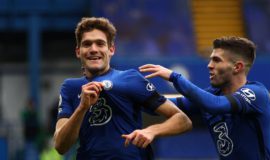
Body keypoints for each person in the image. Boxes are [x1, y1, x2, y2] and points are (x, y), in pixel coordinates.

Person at [53, 17, 192, 160]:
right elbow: (60, 146)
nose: (93, 49)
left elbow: (183, 120)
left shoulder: (131, 79)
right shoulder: (70, 87)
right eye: (87, 44)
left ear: (111, 49)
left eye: (100, 44)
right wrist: (82, 107)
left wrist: (151, 131)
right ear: (78, 51)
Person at [139, 36, 270, 159]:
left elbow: (216, 105)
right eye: (210, 59)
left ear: (237, 67)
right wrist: (132, 95)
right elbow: (161, 106)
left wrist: (175, 77)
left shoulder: (256, 94)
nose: (209, 65)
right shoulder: (212, 95)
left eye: (216, 60)